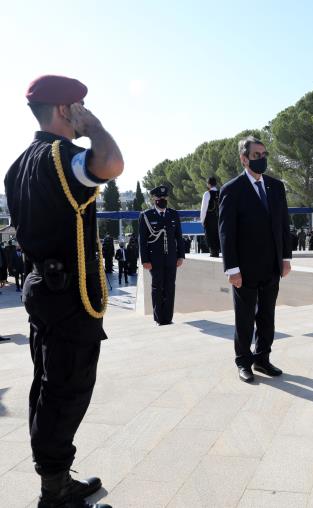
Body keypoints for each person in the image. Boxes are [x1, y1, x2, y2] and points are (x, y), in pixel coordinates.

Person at [4, 74, 122, 508]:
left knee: (48, 384)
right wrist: (95, 129)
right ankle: (53, 493)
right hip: (71, 296)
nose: (82, 112)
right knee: (68, 388)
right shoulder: (62, 156)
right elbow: (111, 165)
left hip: (43, 289)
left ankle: (55, 478)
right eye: (78, 106)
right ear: (63, 110)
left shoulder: (17, 165)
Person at [219, 135, 292, 383]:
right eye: (256, 155)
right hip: (245, 268)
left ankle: (262, 359)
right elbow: (226, 232)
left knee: (267, 316)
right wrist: (232, 268)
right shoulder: (232, 189)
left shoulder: (276, 186)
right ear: (244, 159)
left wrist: (286, 257)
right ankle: (244, 362)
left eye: (264, 155)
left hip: (271, 265)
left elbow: (283, 224)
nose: (261, 159)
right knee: (245, 317)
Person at [139, 185, 185, 325]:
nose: (162, 200)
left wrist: (180, 256)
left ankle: (168, 317)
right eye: (159, 198)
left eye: (164, 197)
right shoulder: (146, 216)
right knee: (157, 287)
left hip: (171, 257)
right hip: (155, 258)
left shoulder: (173, 214)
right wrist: (145, 260)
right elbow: (142, 239)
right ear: (154, 199)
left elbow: (179, 236)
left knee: (170, 286)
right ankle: (159, 318)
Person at [199, 176, 220, 257]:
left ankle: (213, 253)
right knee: (218, 235)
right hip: (219, 218)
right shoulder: (220, 192)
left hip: (210, 219)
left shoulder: (207, 193)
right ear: (216, 183)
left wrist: (202, 220)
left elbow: (203, 208)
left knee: (210, 235)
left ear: (208, 184)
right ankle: (217, 251)